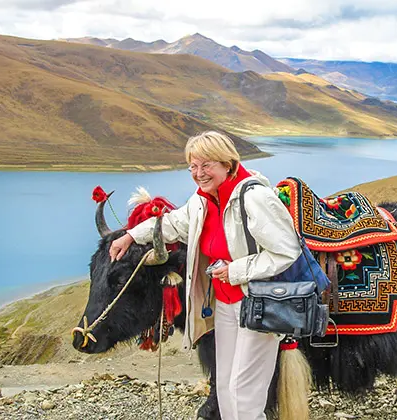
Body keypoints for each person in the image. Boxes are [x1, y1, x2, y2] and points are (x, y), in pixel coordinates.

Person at [109, 131, 302, 420]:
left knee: (244, 390)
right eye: (193, 167)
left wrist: (234, 270)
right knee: (224, 384)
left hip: (257, 303)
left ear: (228, 164)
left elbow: (287, 251)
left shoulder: (255, 198)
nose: (199, 174)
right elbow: (173, 224)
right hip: (225, 303)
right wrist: (131, 236)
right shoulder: (203, 201)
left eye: (207, 165)